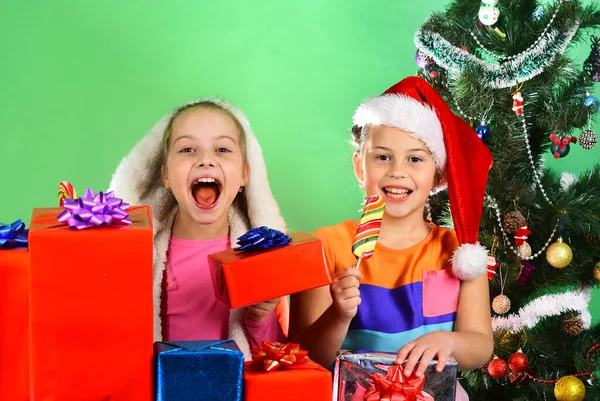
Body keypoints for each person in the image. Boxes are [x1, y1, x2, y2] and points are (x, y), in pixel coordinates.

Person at [290, 76, 494, 398]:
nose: (398, 171)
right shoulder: (326, 247)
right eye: (382, 156)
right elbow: (303, 356)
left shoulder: (459, 253)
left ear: (437, 173)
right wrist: (338, 315)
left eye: (415, 159)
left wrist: (449, 341)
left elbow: (481, 344)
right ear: (360, 167)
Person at [109, 98, 287, 358]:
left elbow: (276, 357)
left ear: (245, 176)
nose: (206, 160)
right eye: (188, 149)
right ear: (166, 176)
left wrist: (260, 319)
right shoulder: (143, 254)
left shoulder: (260, 260)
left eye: (223, 149)